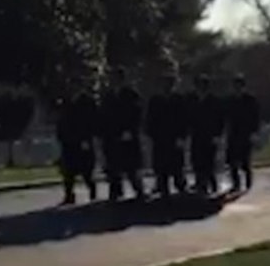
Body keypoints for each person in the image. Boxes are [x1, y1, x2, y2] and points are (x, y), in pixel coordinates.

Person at [100, 68, 146, 201]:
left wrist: (130, 130)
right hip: (111, 135)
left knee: (131, 165)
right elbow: (104, 115)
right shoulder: (108, 96)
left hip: (127, 135)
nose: (113, 81)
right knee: (113, 165)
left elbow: (136, 114)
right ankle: (115, 190)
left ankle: (138, 189)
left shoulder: (131, 94)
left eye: (115, 78)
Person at [145, 73, 190, 197]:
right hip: (160, 138)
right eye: (165, 83)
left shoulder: (179, 99)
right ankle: (162, 187)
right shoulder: (155, 100)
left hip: (174, 137)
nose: (167, 86)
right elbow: (150, 119)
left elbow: (184, 119)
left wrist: (182, 136)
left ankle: (180, 186)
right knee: (161, 166)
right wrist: (151, 134)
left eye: (170, 84)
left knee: (177, 165)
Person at [55, 92, 99, 205]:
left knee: (86, 170)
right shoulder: (65, 101)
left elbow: (91, 120)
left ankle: (92, 190)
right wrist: (60, 135)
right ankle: (69, 195)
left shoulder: (86, 102)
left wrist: (87, 137)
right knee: (68, 171)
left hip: (82, 140)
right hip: (68, 141)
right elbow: (61, 119)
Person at [189, 74, 225, 195]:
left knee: (209, 161)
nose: (200, 88)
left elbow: (220, 119)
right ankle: (200, 183)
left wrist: (217, 135)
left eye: (203, 85)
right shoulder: (192, 99)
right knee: (196, 160)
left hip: (210, 135)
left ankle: (212, 184)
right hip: (197, 134)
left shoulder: (214, 101)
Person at [225, 73, 260, 191]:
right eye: (235, 86)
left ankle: (249, 183)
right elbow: (226, 117)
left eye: (239, 86)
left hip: (246, 133)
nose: (237, 88)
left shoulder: (250, 100)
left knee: (245, 161)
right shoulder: (230, 100)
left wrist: (254, 132)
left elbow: (255, 117)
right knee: (232, 162)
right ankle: (236, 184)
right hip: (233, 134)